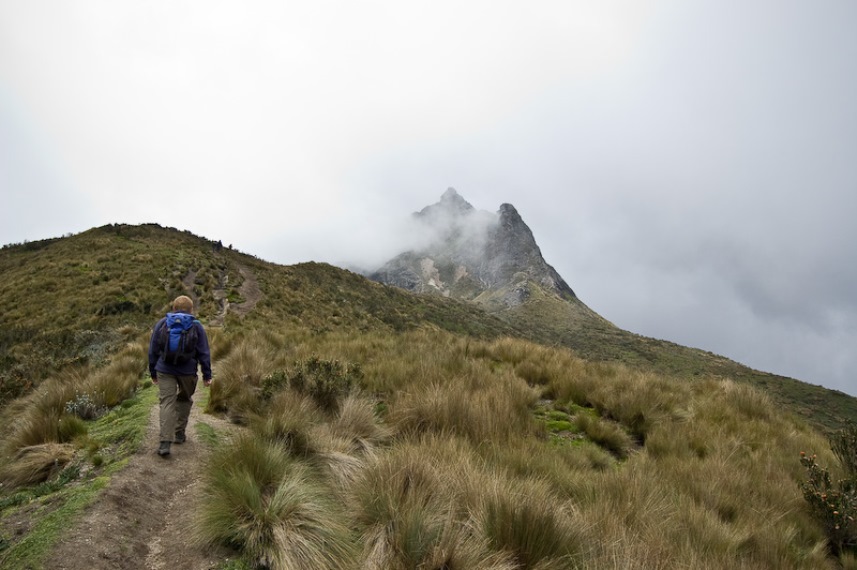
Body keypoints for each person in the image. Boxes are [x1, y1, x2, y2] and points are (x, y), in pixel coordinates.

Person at [148, 295, 212, 457]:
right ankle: (179, 433)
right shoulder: (196, 326)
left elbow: (153, 350)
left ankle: (164, 443)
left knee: (166, 403)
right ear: (191, 310)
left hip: (164, 370)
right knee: (183, 400)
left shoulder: (162, 323)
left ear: (173, 309)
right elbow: (204, 353)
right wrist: (206, 375)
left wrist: (153, 372)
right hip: (187, 372)